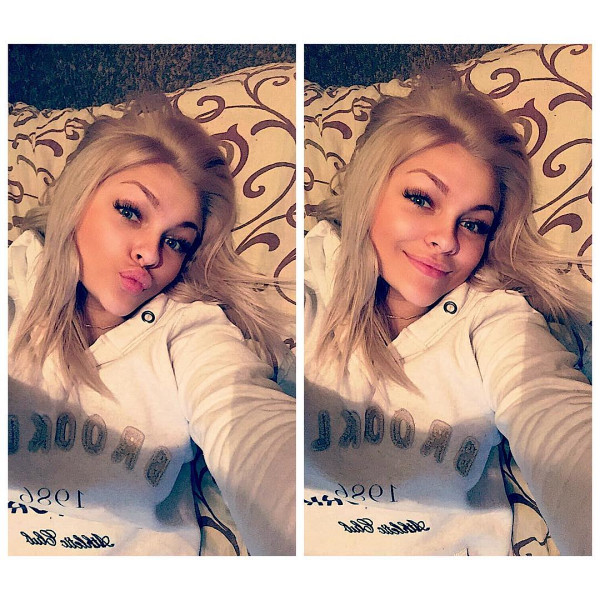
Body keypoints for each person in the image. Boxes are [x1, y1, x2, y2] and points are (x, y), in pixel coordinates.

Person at [304, 71, 591, 556]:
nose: (446, 240)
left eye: (473, 224)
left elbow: (554, 414)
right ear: (370, 189)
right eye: (421, 199)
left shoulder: (495, 319)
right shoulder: (304, 283)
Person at [8, 96, 295, 556]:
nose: (150, 253)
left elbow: (246, 419)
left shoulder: (190, 330)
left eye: (176, 241)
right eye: (130, 211)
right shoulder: (14, 282)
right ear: (78, 199)